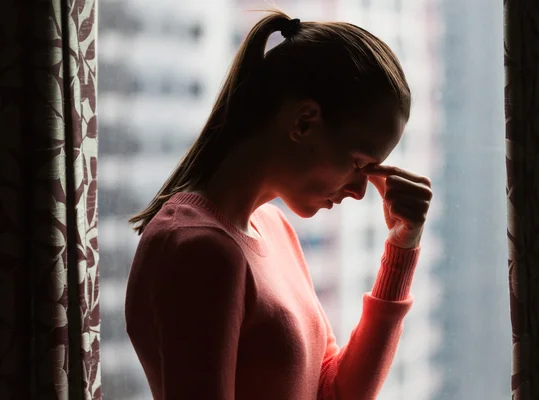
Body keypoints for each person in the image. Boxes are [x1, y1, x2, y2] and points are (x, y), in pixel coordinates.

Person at [125, 10, 432, 400]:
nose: (360, 191)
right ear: (304, 121)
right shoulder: (201, 250)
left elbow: (334, 393)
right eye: (358, 164)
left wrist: (402, 248)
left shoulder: (272, 228)